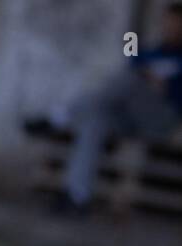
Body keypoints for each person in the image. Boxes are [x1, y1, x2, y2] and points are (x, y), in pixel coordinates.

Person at [25, 3, 182, 214]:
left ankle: (59, 116)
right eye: (168, 22)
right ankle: (77, 197)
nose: (171, 27)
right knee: (95, 121)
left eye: (176, 23)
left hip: (163, 120)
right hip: (130, 117)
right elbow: (128, 76)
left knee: (130, 79)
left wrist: (165, 86)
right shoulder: (150, 53)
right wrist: (147, 80)